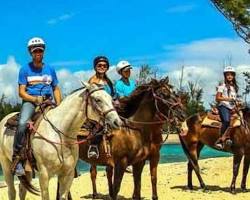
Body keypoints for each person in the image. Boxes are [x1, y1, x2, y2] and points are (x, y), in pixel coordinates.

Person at [12, 37, 62, 176]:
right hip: (31, 102)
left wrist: (59, 105)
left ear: (44, 51)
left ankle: (68, 161)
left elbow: (56, 88)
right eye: (35, 51)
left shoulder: (50, 69)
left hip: (48, 101)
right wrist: (34, 98)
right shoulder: (24, 69)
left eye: (40, 50)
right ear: (30, 53)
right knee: (22, 123)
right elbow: (21, 92)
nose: (38, 53)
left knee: (64, 123)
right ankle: (17, 159)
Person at [87, 56, 115, 158]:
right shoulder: (93, 81)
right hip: (97, 109)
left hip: (109, 107)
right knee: (100, 123)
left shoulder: (109, 82)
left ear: (107, 68)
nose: (102, 67)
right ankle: (93, 146)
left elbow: (112, 94)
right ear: (95, 67)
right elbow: (92, 98)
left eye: (104, 66)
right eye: (99, 65)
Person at [215, 66, 238, 149]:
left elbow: (234, 99)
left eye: (231, 75)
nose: (230, 76)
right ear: (225, 76)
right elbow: (217, 98)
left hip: (232, 107)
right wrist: (228, 99)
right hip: (223, 106)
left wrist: (237, 103)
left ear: (233, 76)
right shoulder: (222, 86)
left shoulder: (233, 88)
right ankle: (221, 140)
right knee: (226, 120)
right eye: (228, 75)